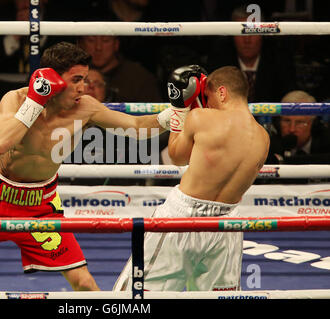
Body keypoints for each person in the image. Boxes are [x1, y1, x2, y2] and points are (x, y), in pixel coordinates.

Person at [0, 41, 167, 291]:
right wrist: (35, 101)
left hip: (40, 204)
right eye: (76, 80)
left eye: (84, 80)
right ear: (54, 79)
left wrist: (176, 112)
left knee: (83, 281)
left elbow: (136, 127)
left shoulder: (86, 108)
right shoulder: (16, 100)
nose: (83, 88)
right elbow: (1, 142)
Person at [114, 65, 270, 291]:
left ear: (222, 92)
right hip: (226, 225)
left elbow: (176, 156)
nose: (207, 102)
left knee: (135, 295)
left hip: (182, 216)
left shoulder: (201, 117)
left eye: (208, 96)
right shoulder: (263, 137)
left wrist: (179, 107)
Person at [77, 35, 162, 102]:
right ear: (80, 44)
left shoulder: (139, 77)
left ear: (116, 44)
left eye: (105, 41)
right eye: (91, 40)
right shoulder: (70, 73)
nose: (98, 47)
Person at [267, 90, 330, 164]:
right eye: (287, 121)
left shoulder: (327, 145)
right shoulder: (269, 147)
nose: (292, 129)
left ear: (313, 124)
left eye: (299, 122)